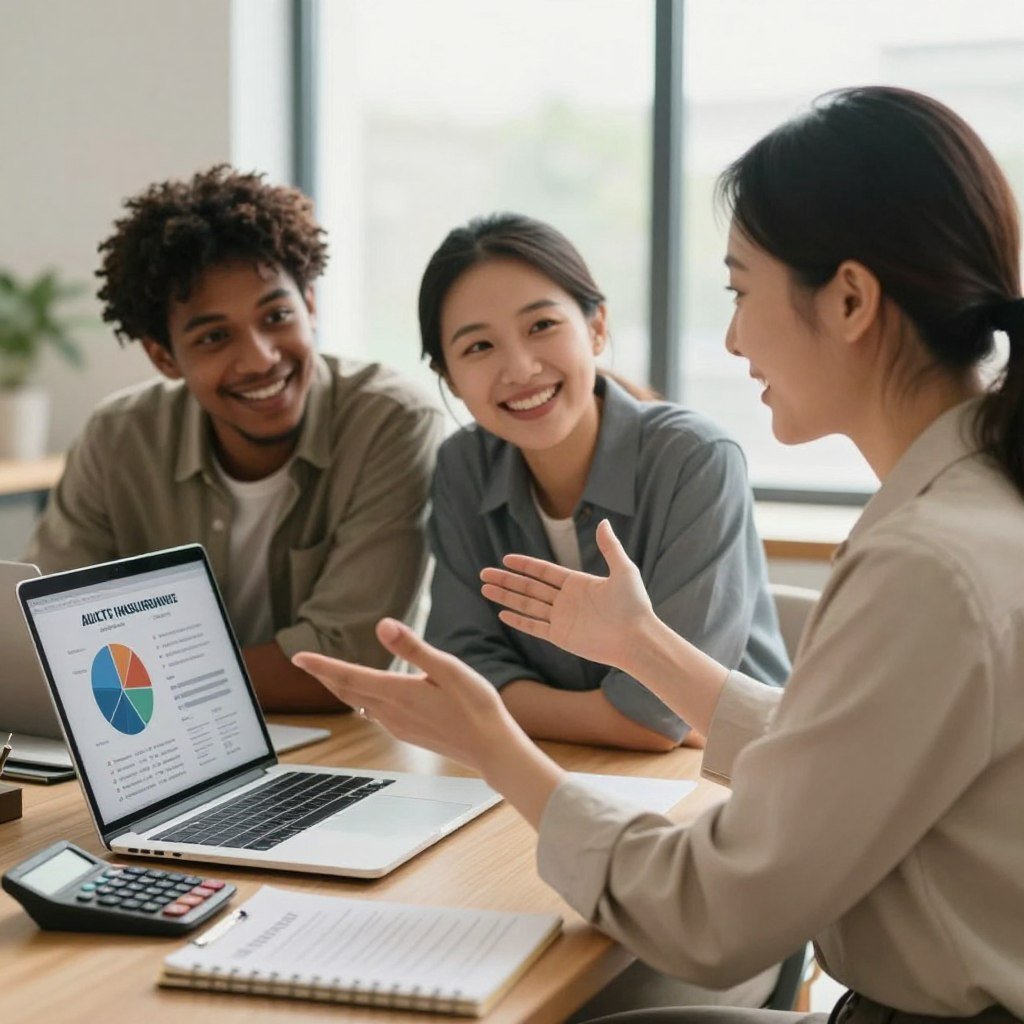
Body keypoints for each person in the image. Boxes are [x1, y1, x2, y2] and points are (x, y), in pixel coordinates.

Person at [295, 85, 1024, 1024]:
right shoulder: (969, 509)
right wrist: (643, 646)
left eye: (739, 290)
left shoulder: (927, 565)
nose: (730, 337)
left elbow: (713, 913)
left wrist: (499, 748)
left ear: (848, 300)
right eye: (475, 347)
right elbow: (844, 762)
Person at [26, 165, 443, 713]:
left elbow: (348, 665)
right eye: (215, 337)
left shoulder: (391, 422)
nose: (259, 358)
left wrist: (138, 677)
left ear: (311, 305)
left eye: (276, 316)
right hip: (164, 747)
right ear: (163, 357)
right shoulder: (118, 438)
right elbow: (49, 634)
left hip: (351, 750)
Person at [418, 213, 789, 753]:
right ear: (449, 376)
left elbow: (660, 715)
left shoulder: (695, 460)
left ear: (596, 328)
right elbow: (458, 671)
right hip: (566, 767)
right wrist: (624, 718)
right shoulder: (462, 467)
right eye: (479, 347)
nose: (520, 368)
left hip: (734, 779)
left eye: (541, 326)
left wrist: (507, 706)